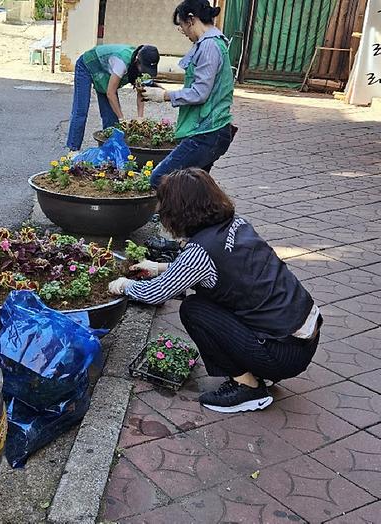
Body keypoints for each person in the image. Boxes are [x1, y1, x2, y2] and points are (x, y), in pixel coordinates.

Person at [108, 169, 321, 413]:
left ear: (178, 210)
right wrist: (159, 267)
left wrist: (124, 285)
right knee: (211, 298)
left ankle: (248, 388)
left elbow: (156, 293)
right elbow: (226, 273)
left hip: (282, 353)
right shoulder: (236, 224)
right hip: (301, 338)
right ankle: (258, 369)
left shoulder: (200, 253)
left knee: (194, 309)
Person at [141, 0, 235, 189]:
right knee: (194, 189)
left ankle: (170, 216)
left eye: (182, 25)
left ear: (191, 19)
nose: (183, 31)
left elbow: (200, 93)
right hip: (212, 131)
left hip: (206, 132)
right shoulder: (211, 43)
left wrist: (164, 96)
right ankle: (206, 217)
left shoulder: (209, 46)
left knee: (160, 179)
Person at [66, 43, 161, 153]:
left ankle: (108, 151)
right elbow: (111, 93)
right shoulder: (122, 62)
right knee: (81, 110)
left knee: (111, 117)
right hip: (87, 65)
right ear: (137, 61)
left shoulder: (140, 66)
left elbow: (141, 92)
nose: (144, 71)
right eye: (144, 68)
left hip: (105, 72)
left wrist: (140, 117)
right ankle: (73, 149)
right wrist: (122, 119)